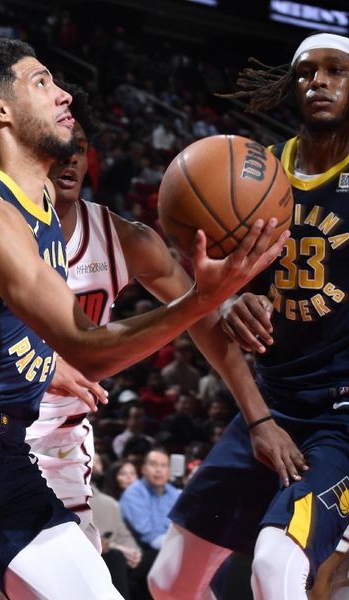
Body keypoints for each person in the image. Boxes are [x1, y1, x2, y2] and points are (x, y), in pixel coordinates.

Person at [0, 39, 285, 600]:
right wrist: (201, 300)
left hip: (7, 455)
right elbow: (89, 347)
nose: (64, 93)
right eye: (42, 83)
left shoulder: (45, 208)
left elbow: (7, 326)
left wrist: (46, 362)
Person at [0, 79, 294, 599]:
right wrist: (44, 364)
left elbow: (201, 317)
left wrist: (259, 416)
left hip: (56, 451)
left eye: (80, 149)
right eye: (56, 148)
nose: (69, 160)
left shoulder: (124, 239)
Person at [149, 32, 349, 600]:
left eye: (337, 71)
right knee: (169, 583)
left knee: (275, 566)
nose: (321, 82)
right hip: (274, 402)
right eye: (308, 72)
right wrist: (235, 298)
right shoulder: (260, 170)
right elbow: (219, 283)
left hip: (341, 415)